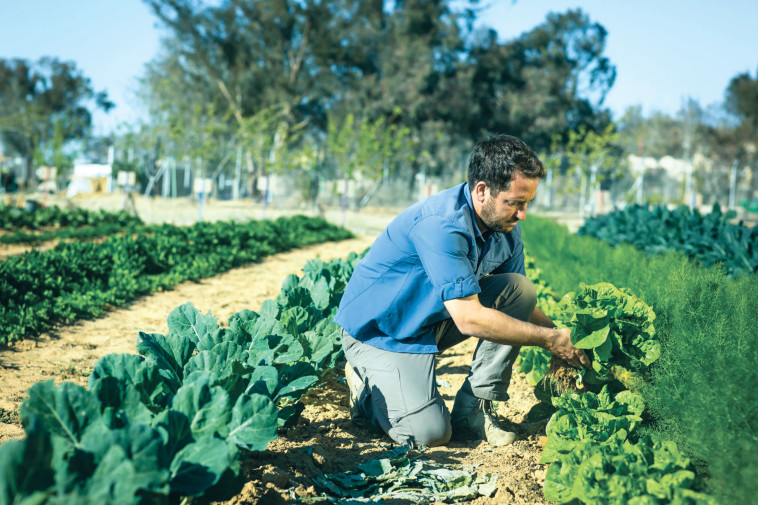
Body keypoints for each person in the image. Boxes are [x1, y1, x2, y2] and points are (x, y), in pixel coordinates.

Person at [333, 133, 589, 448]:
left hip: (429, 320)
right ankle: (367, 392)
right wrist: (549, 340)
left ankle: (474, 410)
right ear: (482, 190)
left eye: (527, 204)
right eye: (515, 203)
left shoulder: (504, 227)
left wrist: (563, 342)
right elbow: (469, 319)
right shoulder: (441, 225)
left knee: (518, 290)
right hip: (381, 333)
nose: (522, 214)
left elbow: (517, 302)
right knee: (430, 434)